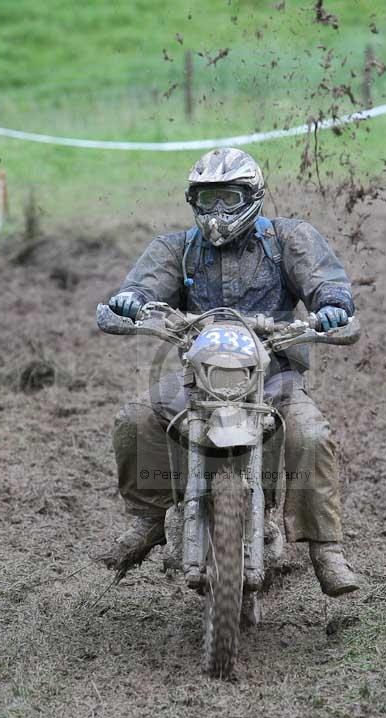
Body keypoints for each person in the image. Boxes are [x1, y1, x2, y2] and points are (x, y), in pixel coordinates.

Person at [98, 147, 359, 597]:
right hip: (196, 380)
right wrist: (132, 301)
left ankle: (325, 549)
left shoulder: (288, 239)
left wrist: (333, 306)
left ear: (253, 196)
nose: (217, 211)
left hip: (274, 376)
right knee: (135, 420)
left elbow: (326, 282)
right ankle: (149, 518)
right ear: (192, 201)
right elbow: (143, 286)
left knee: (310, 435)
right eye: (207, 200)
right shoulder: (176, 249)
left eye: (229, 198)